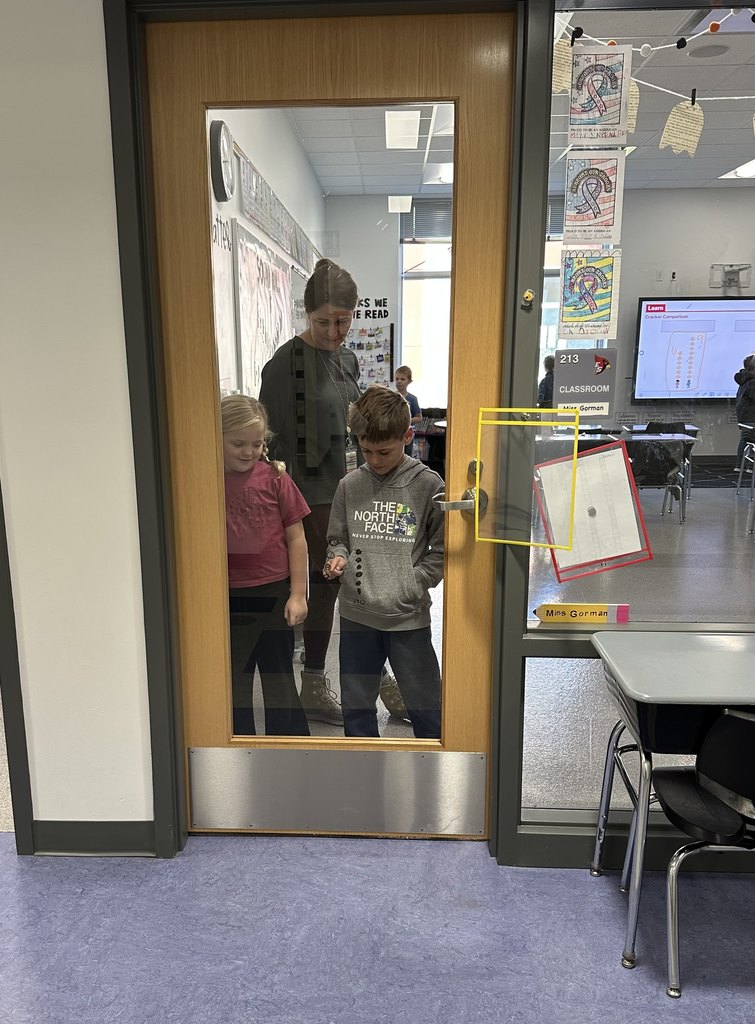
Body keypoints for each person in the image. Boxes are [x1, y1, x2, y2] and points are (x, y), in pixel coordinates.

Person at [260, 259, 407, 724]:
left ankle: (361, 680)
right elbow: (266, 440)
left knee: (356, 583)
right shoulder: (284, 364)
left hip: (351, 488)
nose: (334, 330)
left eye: (343, 320)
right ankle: (333, 685)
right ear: (306, 315)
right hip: (308, 495)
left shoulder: (347, 358)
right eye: (323, 321)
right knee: (338, 585)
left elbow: (354, 423)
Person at [323, 387, 444, 738]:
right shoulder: (350, 485)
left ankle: (432, 778)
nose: (374, 459)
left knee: (426, 705)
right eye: (366, 450)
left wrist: (415, 581)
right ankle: (362, 779)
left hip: (407, 617)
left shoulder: (427, 484)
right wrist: (338, 558)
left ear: (407, 436)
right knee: (357, 706)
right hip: (357, 614)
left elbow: (442, 547)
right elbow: (338, 538)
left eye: (384, 451)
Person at [222, 394, 310, 737]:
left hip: (274, 593)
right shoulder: (205, 480)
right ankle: (237, 748)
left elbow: (296, 537)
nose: (248, 451)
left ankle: (290, 747)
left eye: (257, 444)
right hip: (227, 596)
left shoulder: (275, 478)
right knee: (233, 682)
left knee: (278, 680)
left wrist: (298, 594)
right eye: (238, 444)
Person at [394, 365, 422, 456]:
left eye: (402, 379)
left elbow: (419, 418)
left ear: (409, 381)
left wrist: (405, 420)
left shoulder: (413, 399)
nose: (399, 381)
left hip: (407, 434)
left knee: (406, 455)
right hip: (393, 432)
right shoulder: (391, 397)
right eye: (397, 379)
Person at [734, 353, 755, 471]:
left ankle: (740, 465)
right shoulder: (752, 382)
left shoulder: (744, 379)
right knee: (751, 440)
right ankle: (750, 466)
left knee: (745, 439)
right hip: (752, 417)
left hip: (745, 417)